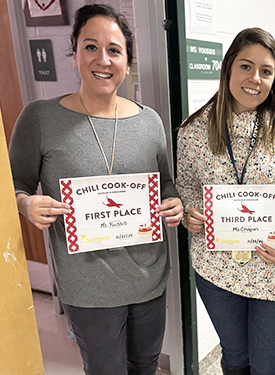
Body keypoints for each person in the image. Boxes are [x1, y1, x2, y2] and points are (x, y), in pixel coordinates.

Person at [9, 4, 183, 375]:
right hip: (88, 286)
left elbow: (166, 183)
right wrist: (25, 205)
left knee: (146, 366)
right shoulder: (40, 119)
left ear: (127, 60)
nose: (102, 59)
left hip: (149, 278)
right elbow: (13, 185)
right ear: (73, 53)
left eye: (114, 50)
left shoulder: (150, 121)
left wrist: (173, 202)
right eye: (91, 46)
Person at [176, 28, 275, 375]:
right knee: (236, 359)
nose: (255, 79)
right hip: (217, 268)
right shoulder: (193, 132)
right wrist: (190, 215)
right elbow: (187, 187)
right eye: (246, 66)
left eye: (266, 71)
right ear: (228, 69)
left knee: (267, 366)